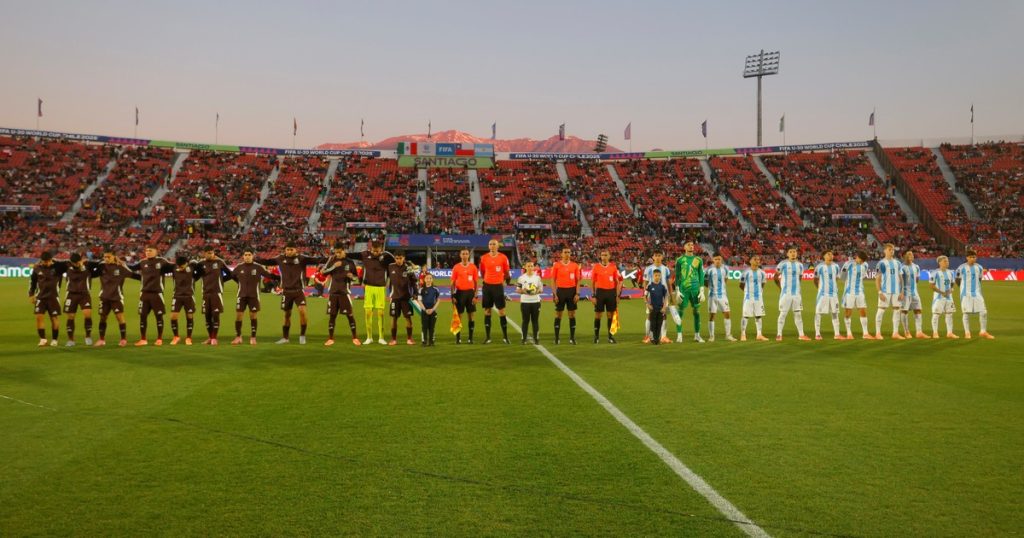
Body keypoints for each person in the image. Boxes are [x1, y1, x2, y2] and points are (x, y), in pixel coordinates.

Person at [260, 242, 328, 345]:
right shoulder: (280, 258)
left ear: (296, 250)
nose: (289, 251)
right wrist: (254, 259)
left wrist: (331, 258)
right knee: (287, 315)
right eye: (287, 249)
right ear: (285, 250)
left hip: (298, 291)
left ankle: (302, 336)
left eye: (291, 249)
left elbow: (317, 260)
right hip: (286, 292)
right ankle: (285, 338)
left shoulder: (302, 259)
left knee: (302, 312)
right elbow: (267, 262)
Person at [229, 249, 278, 345]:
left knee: (253, 316)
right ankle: (238, 337)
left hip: (254, 296)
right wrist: (239, 282)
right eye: (245, 255)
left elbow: (269, 275)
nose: (247, 256)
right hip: (241, 295)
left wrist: (280, 277)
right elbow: (232, 276)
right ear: (243, 256)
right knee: (238, 316)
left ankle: (253, 337)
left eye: (249, 255)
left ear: (252, 256)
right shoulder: (239, 267)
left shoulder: (258, 267)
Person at [128, 246, 174, 346]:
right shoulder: (142, 262)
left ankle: (159, 339)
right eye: (147, 250)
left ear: (156, 252)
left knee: (159, 316)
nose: (148, 252)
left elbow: (174, 267)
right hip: (144, 293)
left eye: (150, 250)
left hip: (157, 294)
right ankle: (143, 339)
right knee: (143, 316)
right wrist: (121, 263)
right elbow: (131, 267)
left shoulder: (162, 261)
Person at [94, 250, 140, 347]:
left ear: (114, 256)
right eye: (105, 257)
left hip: (116, 297)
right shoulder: (101, 266)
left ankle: (123, 339)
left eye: (108, 257)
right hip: (104, 297)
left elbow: (134, 275)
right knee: (103, 318)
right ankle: (101, 339)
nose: (106, 259)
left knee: (119, 317)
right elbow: (92, 271)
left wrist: (147, 278)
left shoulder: (120, 267)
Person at [321, 243, 360, 346]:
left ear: (344, 250)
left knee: (350, 315)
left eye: (339, 252)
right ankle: (330, 338)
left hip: (344, 293)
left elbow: (356, 277)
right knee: (332, 316)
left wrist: (352, 277)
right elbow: (323, 273)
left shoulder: (350, 262)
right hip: (333, 293)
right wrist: (334, 266)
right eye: (336, 252)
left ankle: (355, 338)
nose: (337, 254)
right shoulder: (332, 260)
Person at [29, 251, 69, 347]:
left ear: (51, 260)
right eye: (44, 261)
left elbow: (69, 262)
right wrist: (31, 294)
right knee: (39, 317)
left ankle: (54, 339)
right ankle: (43, 339)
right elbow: (33, 282)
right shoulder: (37, 268)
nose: (46, 263)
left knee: (54, 318)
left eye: (48, 261)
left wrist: (56, 260)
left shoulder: (59, 266)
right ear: (41, 260)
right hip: (40, 297)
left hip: (53, 297)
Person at [360, 242, 396, 345]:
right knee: (368, 313)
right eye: (373, 251)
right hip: (369, 287)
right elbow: (354, 255)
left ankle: (381, 337)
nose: (375, 253)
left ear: (381, 249)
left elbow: (395, 261)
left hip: (380, 288)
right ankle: (369, 337)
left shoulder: (386, 256)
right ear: (371, 249)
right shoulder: (366, 255)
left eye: (377, 251)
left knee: (381, 313)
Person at [479, 239, 512, 344]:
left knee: (501, 311)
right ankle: (488, 337)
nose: (492, 246)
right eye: (490, 244)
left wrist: (503, 280)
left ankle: (505, 337)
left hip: (498, 286)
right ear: (488, 246)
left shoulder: (503, 257)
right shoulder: (484, 258)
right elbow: (482, 272)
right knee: (487, 311)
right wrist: (488, 280)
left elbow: (506, 272)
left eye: (494, 244)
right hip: (487, 286)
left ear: (498, 246)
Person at [672, 240, 705, 343]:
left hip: (695, 290)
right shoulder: (680, 260)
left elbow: (701, 275)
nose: (691, 246)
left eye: (692, 245)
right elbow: (677, 276)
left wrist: (702, 290)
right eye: (688, 245)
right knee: (680, 311)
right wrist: (677, 290)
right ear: (684, 247)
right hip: (684, 290)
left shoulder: (698, 260)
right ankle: (679, 335)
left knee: (697, 312)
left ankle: (697, 335)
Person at [956, 250, 994, 339]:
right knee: (966, 313)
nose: (973, 259)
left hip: (977, 293)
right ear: (967, 258)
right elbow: (957, 280)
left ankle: (983, 331)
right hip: (965, 294)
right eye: (971, 257)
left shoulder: (979, 267)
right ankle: (967, 332)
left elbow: (979, 279)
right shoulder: (961, 268)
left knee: (983, 311)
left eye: (974, 257)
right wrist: (963, 289)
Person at [197, 247, 232, 345]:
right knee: (207, 316)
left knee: (215, 315)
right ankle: (210, 337)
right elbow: (195, 276)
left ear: (213, 253)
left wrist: (221, 280)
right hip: (205, 293)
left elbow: (230, 274)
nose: (210, 255)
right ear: (204, 253)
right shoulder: (201, 264)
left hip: (217, 293)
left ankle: (214, 338)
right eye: (208, 253)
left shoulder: (219, 262)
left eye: (211, 253)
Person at [774, 246, 809, 341]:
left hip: (797, 294)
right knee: (783, 314)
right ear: (787, 254)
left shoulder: (800, 265)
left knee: (798, 314)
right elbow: (775, 277)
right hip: (786, 294)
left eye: (794, 251)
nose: (793, 253)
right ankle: (779, 334)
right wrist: (781, 288)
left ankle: (801, 335)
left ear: (797, 253)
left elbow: (800, 278)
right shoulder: (783, 264)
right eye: (791, 252)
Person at [62, 252, 97, 346]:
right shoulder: (67, 265)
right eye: (74, 263)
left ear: (80, 260)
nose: (76, 264)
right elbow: (54, 262)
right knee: (70, 316)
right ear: (71, 262)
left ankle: (88, 336)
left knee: (87, 314)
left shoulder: (87, 265)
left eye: (78, 262)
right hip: (71, 294)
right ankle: (71, 340)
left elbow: (99, 264)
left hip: (84, 294)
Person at [549, 247, 582, 344]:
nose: (567, 254)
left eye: (568, 252)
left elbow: (578, 281)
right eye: (565, 252)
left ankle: (572, 338)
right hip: (560, 291)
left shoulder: (575, 266)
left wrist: (577, 293)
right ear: (562, 254)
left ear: (570, 254)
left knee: (572, 314)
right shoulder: (556, 265)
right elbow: (553, 280)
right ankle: (556, 338)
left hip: (572, 291)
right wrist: (554, 294)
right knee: (558, 314)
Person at [589, 249, 622, 344]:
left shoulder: (613, 267)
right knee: (598, 315)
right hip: (600, 293)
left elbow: (617, 282)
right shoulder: (596, 267)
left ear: (609, 256)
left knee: (610, 315)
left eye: (606, 255)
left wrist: (617, 295)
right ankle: (596, 337)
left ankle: (610, 337)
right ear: (600, 256)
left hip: (611, 293)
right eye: (602, 255)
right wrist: (593, 295)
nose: (604, 257)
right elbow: (592, 282)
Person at [168, 255, 202, 346]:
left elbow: (200, 268)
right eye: (179, 266)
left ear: (186, 263)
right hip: (177, 296)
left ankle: (188, 337)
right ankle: (176, 336)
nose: (180, 268)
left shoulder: (192, 267)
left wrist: (194, 278)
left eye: (182, 266)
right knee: (173, 316)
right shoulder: (174, 268)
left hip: (189, 296)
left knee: (189, 316)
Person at [643, 251, 675, 343]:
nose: (657, 257)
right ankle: (648, 336)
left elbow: (668, 283)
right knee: (650, 315)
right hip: (651, 295)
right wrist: (645, 295)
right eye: (656, 256)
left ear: (662, 257)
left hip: (663, 296)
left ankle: (663, 337)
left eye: (659, 256)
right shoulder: (648, 269)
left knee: (664, 315)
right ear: (653, 257)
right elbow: (645, 282)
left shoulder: (666, 269)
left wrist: (671, 295)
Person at [386, 251, 418, 346]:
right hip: (394, 297)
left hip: (406, 298)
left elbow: (413, 282)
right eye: (397, 258)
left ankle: (409, 339)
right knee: (394, 318)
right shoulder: (390, 266)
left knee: (408, 318)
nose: (398, 260)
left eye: (400, 258)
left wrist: (415, 293)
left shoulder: (408, 268)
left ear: (404, 258)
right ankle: (393, 339)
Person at [874, 243, 904, 340]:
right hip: (885, 291)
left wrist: (902, 291)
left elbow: (901, 278)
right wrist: (880, 292)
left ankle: (895, 333)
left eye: (893, 250)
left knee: (897, 310)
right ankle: (878, 333)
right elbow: (877, 279)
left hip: (896, 291)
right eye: (889, 249)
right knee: (881, 310)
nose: (891, 251)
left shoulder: (898, 263)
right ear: (884, 251)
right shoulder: (881, 263)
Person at [450, 248, 479, 344]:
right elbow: (452, 283)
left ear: (468, 255)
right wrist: (452, 296)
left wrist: (476, 296)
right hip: (459, 293)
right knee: (459, 316)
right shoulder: (456, 267)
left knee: (471, 316)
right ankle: (458, 338)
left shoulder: (473, 267)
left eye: (466, 253)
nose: (465, 255)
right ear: (460, 255)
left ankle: (470, 338)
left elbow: (476, 283)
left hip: (470, 293)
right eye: (463, 253)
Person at [840, 251, 872, 339]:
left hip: (860, 291)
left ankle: (865, 333)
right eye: (860, 260)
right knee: (848, 312)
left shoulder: (865, 265)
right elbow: (842, 277)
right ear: (857, 257)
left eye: (863, 261)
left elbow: (863, 276)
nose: (861, 262)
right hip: (849, 292)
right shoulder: (848, 264)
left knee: (863, 311)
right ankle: (849, 333)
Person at [813, 250, 842, 340]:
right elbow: (815, 280)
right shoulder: (819, 267)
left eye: (831, 254)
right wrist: (819, 288)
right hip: (823, 294)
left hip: (833, 294)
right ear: (824, 256)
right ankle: (817, 334)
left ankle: (837, 334)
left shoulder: (836, 266)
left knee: (835, 313)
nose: (831, 255)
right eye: (828, 254)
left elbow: (836, 278)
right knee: (818, 313)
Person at [705, 253, 734, 342]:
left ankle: (728, 335)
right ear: (713, 260)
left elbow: (726, 279)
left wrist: (722, 288)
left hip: (723, 295)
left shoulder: (725, 268)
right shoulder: (709, 270)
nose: (717, 261)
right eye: (716, 259)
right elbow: (705, 282)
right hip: (712, 296)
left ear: (721, 260)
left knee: (727, 314)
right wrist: (712, 288)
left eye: (719, 259)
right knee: (712, 316)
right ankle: (711, 336)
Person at [899, 250, 928, 339]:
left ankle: (919, 332)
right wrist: (901, 292)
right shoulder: (901, 267)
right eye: (908, 254)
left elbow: (917, 280)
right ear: (903, 257)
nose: (911, 256)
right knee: (904, 311)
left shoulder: (916, 267)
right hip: (905, 293)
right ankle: (906, 332)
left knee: (918, 310)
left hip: (915, 293)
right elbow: (899, 281)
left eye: (912, 254)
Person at [739, 255, 768, 341]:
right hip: (748, 297)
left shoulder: (762, 273)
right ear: (750, 261)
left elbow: (763, 284)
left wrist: (759, 292)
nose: (757, 261)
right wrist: (747, 292)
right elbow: (741, 285)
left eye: (758, 259)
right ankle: (743, 334)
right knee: (745, 315)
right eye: (755, 259)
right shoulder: (746, 272)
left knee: (759, 315)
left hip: (758, 297)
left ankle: (759, 334)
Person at [929, 255, 958, 339]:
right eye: (945, 261)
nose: (947, 262)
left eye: (948, 261)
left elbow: (952, 283)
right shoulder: (935, 273)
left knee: (949, 314)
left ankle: (950, 333)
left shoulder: (950, 272)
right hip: (939, 297)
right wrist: (941, 292)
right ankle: (935, 333)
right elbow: (931, 285)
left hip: (949, 297)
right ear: (939, 263)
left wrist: (950, 289)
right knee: (936, 314)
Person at [516, 260, 544, 344]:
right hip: (525, 302)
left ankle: (536, 338)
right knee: (525, 321)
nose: (530, 267)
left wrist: (535, 291)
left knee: (535, 321)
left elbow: (541, 289)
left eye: (531, 266)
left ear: (534, 267)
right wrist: (525, 291)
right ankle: (524, 338)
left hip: (536, 301)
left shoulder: (537, 277)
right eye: (528, 266)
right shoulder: (521, 278)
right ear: (525, 267)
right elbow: (518, 290)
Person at [414, 273, 441, 346]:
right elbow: (419, 300)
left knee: (432, 327)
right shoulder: (421, 289)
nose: (428, 280)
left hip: (433, 311)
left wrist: (432, 309)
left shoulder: (436, 289)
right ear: (424, 280)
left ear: (432, 280)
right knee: (424, 326)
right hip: (424, 311)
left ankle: (431, 341)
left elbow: (438, 300)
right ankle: (424, 341)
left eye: (430, 278)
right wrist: (425, 309)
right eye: (427, 278)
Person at [645, 269, 669, 345]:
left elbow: (666, 297)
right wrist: (648, 304)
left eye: (659, 275)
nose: (657, 277)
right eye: (656, 275)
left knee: (659, 324)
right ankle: (652, 338)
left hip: (660, 308)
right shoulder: (649, 286)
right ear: (653, 276)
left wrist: (664, 307)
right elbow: (644, 296)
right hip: (653, 308)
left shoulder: (662, 286)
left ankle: (657, 339)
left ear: (660, 276)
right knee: (653, 324)